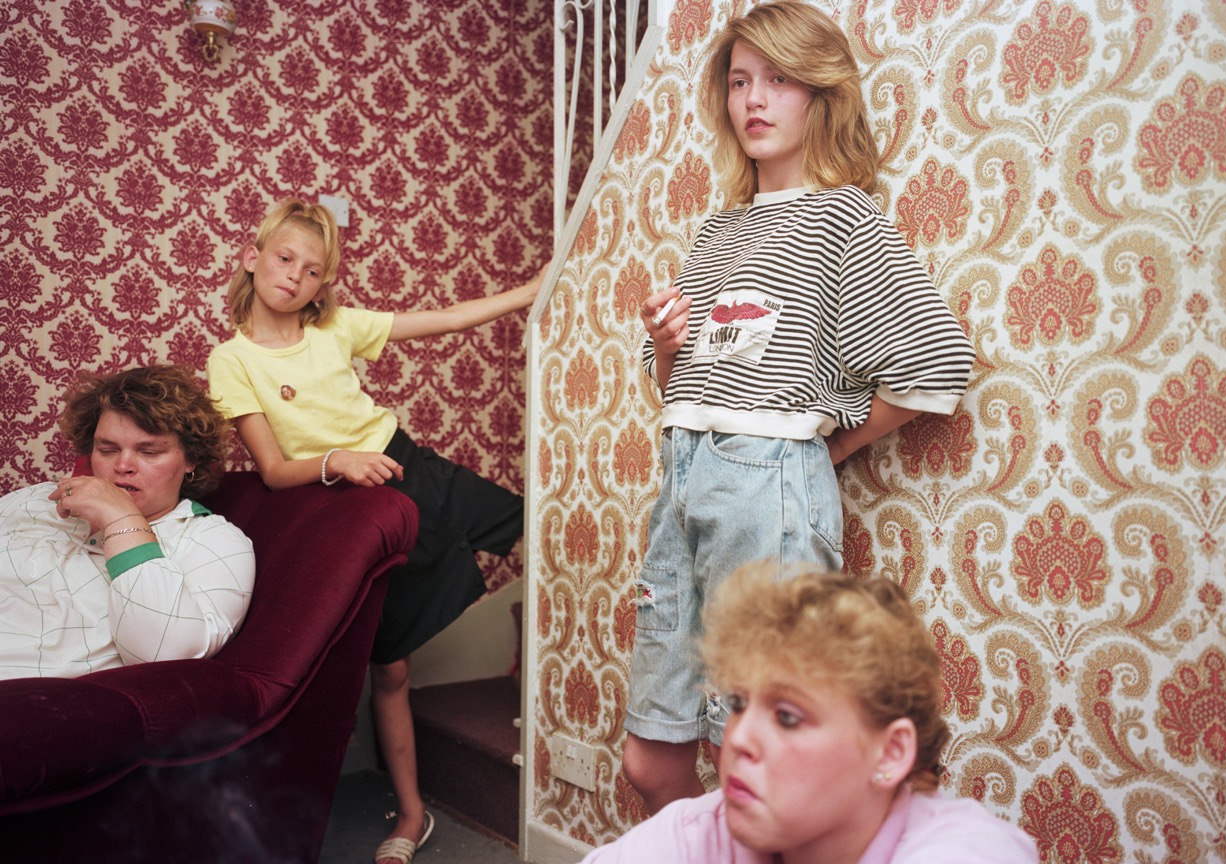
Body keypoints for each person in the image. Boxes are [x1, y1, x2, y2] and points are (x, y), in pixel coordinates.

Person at [627, 0, 977, 813]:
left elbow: (937, 360)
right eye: (741, 81)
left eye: (778, 80)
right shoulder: (717, 230)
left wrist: (835, 449)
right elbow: (673, 380)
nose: (753, 99)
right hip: (680, 479)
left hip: (766, 488)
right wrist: (669, 341)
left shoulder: (843, 217)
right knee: (653, 763)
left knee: (754, 765)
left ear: (821, 94)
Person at [205, 197, 541, 864]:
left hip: (413, 469)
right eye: (284, 259)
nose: (295, 277)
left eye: (313, 269)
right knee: (389, 670)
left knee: (540, 529)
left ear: (324, 282)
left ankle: (554, 692)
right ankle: (412, 815)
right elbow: (272, 471)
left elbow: (443, 319)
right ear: (252, 258)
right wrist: (337, 462)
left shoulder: (335, 328)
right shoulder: (231, 361)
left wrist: (534, 289)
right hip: (354, 510)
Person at [583, 562, 1037, 863]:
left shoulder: (967, 853)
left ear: (890, 753)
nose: (738, 739)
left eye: (786, 717)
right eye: (739, 704)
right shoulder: (701, 831)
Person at [0, 365, 255, 680]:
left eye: (149, 451)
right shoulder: (35, 500)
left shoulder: (213, 541)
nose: (122, 466)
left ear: (191, 459)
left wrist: (121, 517)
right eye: (107, 450)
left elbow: (163, 657)